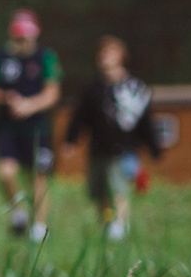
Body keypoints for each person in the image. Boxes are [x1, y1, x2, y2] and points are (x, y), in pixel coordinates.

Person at [64, 35, 159, 242]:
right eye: (102, 52)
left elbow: (145, 121)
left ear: (121, 56)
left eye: (110, 52)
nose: (104, 56)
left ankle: (120, 226)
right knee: (99, 192)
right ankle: (106, 228)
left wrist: (154, 147)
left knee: (118, 188)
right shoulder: (92, 89)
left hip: (124, 149)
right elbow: (80, 117)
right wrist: (71, 140)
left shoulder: (135, 88)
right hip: (98, 149)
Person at [0, 9, 62, 241]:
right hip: (8, 128)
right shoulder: (0, 57)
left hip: (37, 128)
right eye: (19, 38)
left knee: (38, 177)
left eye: (27, 37)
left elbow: (52, 93)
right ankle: (18, 213)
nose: (23, 42)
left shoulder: (45, 57)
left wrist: (30, 105)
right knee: (5, 173)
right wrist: (7, 98)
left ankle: (38, 226)